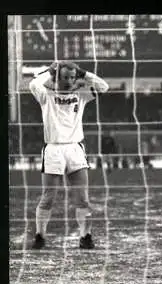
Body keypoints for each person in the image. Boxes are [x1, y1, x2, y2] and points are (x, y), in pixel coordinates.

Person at [29, 60, 109, 249]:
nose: (69, 81)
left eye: (72, 77)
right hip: (53, 149)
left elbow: (103, 87)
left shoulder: (81, 95)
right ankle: (40, 235)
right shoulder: (45, 95)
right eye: (65, 77)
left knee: (82, 198)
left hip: (74, 149)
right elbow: (33, 84)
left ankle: (85, 236)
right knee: (49, 196)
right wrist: (49, 72)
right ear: (57, 77)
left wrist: (84, 74)